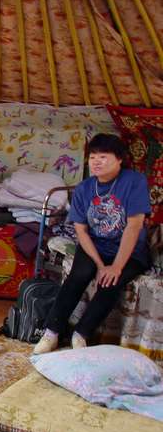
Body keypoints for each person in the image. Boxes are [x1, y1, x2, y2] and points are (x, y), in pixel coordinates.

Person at [33, 134, 151, 354]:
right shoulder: (84, 188)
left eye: (103, 156)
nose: (96, 161)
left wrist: (115, 267)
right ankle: (52, 333)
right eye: (93, 157)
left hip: (130, 250)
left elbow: (134, 227)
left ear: (119, 159)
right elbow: (81, 230)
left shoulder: (134, 182)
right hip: (95, 246)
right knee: (79, 274)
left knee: (110, 282)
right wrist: (99, 264)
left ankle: (81, 334)